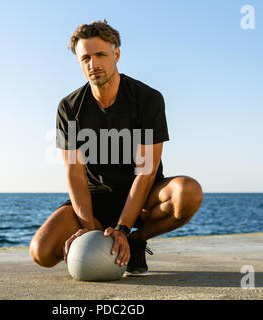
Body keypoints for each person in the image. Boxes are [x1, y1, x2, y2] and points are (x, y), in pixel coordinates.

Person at [30, 19, 203, 276]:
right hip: (95, 198)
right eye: (85, 57)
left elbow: (145, 171)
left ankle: (136, 242)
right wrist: (89, 228)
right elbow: (74, 173)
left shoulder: (146, 99)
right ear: (78, 61)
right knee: (40, 253)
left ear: (116, 54)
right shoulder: (69, 108)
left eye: (100, 54)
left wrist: (124, 228)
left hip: (143, 196)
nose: (93, 64)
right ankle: (105, 240)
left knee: (188, 193)